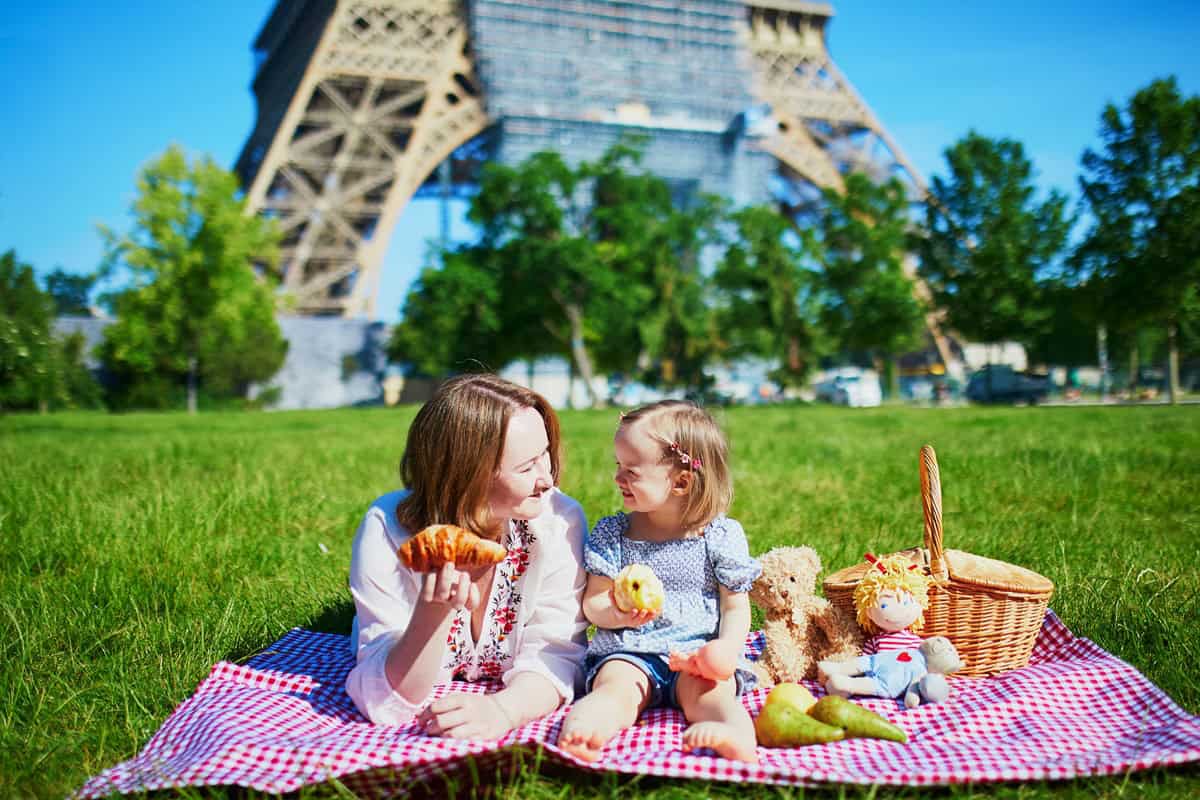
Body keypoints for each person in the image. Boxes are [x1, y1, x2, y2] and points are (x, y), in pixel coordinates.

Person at [345, 374, 589, 738]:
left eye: (546, 457)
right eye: (526, 468)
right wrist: (432, 613)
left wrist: (504, 711)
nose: (548, 479)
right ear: (467, 476)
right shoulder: (388, 528)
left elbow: (558, 654)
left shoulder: (559, 522)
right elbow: (384, 700)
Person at [556, 400, 762, 763]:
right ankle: (586, 730)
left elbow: (734, 604)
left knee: (711, 695)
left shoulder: (718, 535)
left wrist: (726, 649)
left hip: (695, 653)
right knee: (615, 689)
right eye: (618, 466)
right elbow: (594, 602)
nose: (617, 478)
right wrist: (618, 614)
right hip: (631, 648)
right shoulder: (613, 533)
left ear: (681, 481)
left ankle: (736, 734)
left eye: (631, 471)